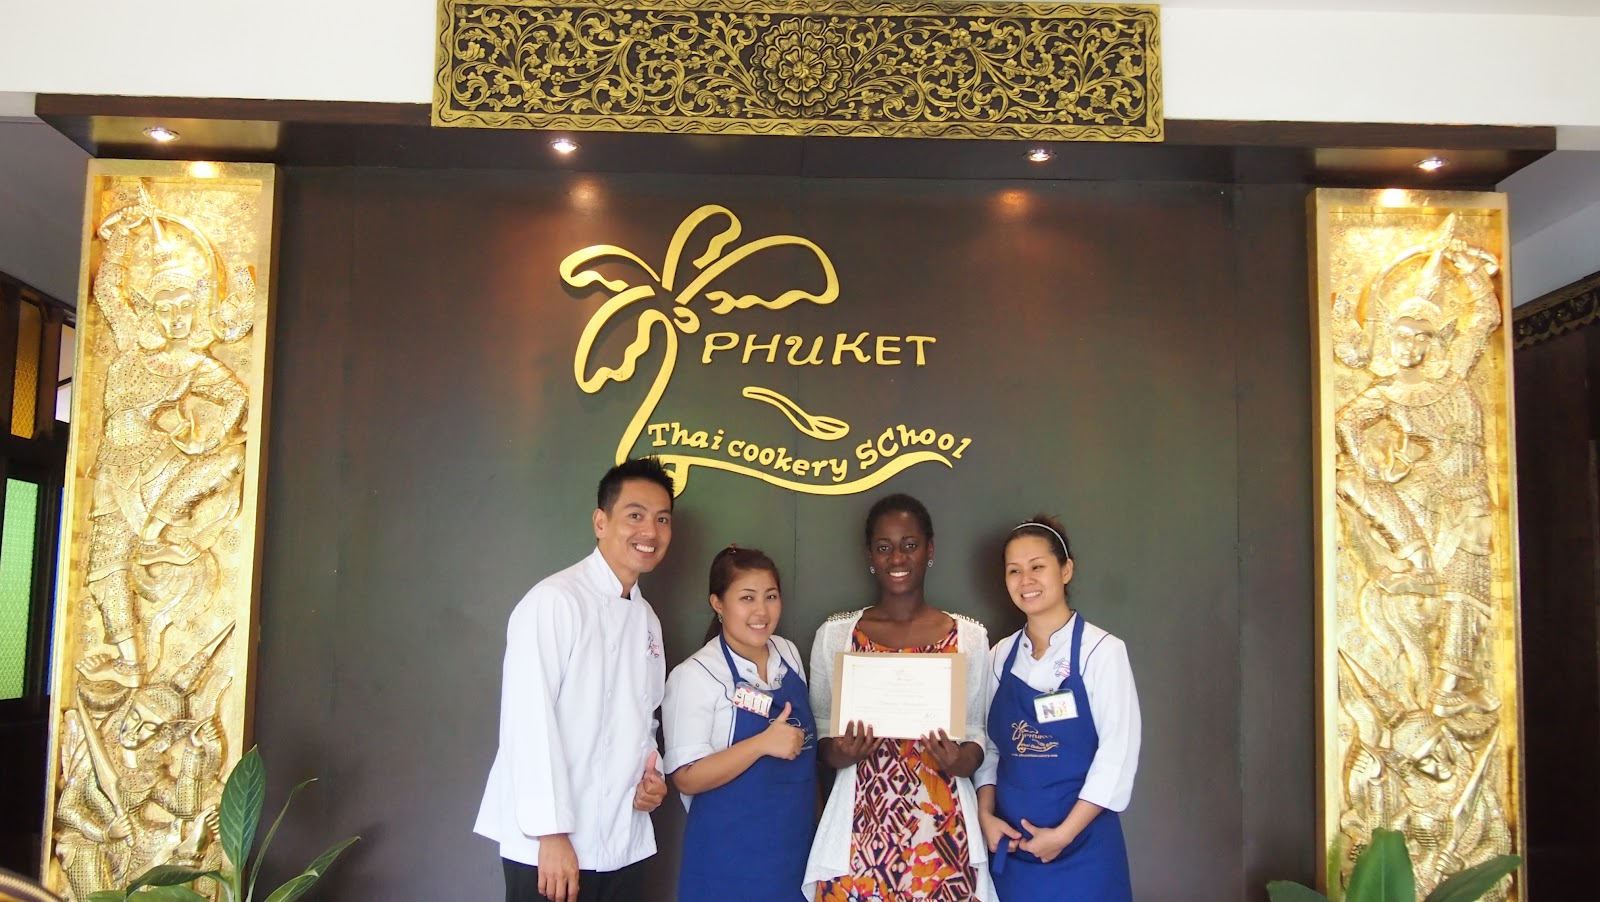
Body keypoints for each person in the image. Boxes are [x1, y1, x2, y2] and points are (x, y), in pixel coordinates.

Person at [474, 458, 676, 902]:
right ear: (601, 522)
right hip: (550, 847)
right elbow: (528, 723)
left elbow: (644, 719)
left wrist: (652, 777)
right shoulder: (554, 601)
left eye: (662, 519)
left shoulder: (647, 620)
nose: (650, 531)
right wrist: (551, 834)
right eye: (635, 515)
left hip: (623, 840)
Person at [805, 494, 997, 902]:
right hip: (861, 832)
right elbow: (819, 733)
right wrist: (840, 753)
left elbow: (978, 731)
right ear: (870, 555)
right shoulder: (836, 637)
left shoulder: (969, 639)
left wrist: (962, 761)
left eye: (910, 545)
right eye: (884, 547)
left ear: (930, 549)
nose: (897, 558)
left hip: (942, 833)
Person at [975, 515, 1140, 901]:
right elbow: (989, 747)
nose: (1025, 580)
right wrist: (985, 817)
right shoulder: (1000, 656)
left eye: (1037, 567)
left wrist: (1063, 835)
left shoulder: (1102, 652)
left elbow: (1117, 754)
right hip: (1014, 853)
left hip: (1085, 851)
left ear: (1066, 570)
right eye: (1014, 571)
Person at [663, 546, 817, 902]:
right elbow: (686, 776)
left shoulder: (788, 654)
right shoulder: (696, 676)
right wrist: (761, 744)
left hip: (794, 852)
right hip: (728, 862)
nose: (761, 611)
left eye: (770, 596)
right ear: (717, 603)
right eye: (747, 598)